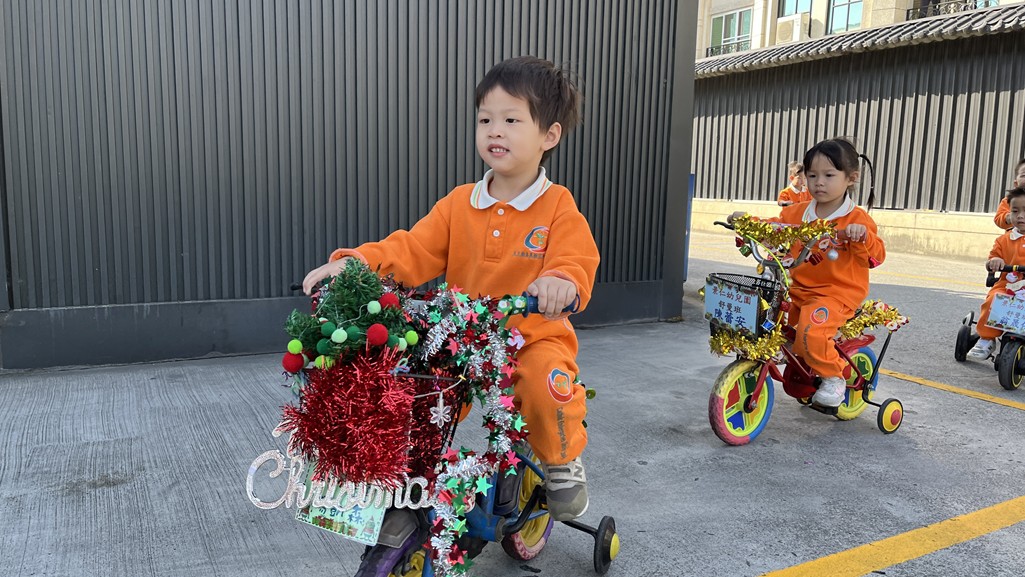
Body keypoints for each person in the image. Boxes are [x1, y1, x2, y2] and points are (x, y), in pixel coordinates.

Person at [301, 56, 599, 521]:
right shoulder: (460, 203)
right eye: (485, 120)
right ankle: (412, 478)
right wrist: (358, 263)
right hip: (461, 337)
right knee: (416, 394)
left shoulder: (558, 206)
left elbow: (575, 258)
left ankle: (561, 461)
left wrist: (560, 282)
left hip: (530, 337)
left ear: (549, 135)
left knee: (546, 384)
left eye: (511, 120)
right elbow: (412, 248)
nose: (495, 131)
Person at [728, 138, 885, 407]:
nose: (819, 182)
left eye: (828, 175)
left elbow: (877, 255)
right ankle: (798, 358)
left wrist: (862, 236)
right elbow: (774, 228)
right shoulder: (798, 212)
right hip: (798, 289)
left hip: (837, 294)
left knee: (811, 332)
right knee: (768, 321)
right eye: (812, 175)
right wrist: (747, 222)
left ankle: (834, 377)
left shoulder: (856, 219)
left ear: (851, 178)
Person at [969, 185, 1025, 359]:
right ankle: (986, 338)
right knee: (993, 299)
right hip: (1008, 285)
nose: (1020, 216)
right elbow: (994, 256)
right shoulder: (1004, 240)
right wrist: (995, 261)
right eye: (1015, 211)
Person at [991, 158, 1025, 229]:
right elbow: (998, 219)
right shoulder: (1010, 200)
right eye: (1024, 175)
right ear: (1016, 183)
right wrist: (1009, 217)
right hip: (1013, 235)